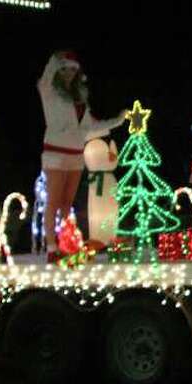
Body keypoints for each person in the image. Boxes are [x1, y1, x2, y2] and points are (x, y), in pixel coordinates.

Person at [38, 51, 126, 260]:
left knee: (67, 202)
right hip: (56, 153)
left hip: (77, 154)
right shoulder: (49, 91)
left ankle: (67, 243)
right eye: (65, 69)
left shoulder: (79, 99)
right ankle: (51, 247)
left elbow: (90, 127)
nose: (69, 73)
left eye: (73, 70)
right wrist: (54, 60)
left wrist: (117, 121)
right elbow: (45, 78)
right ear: (59, 70)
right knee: (53, 201)